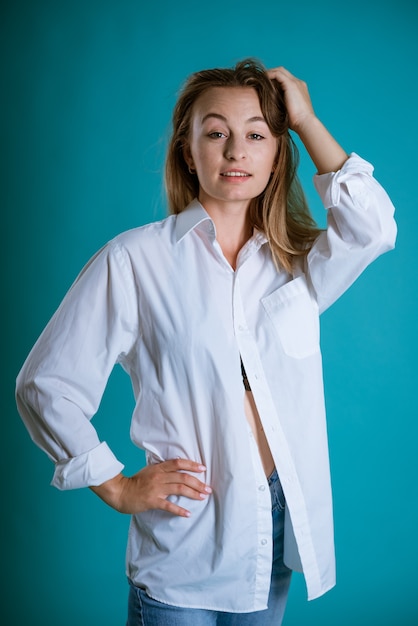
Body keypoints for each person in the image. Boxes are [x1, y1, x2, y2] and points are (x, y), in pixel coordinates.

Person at [15, 59, 397, 625]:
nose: (235, 151)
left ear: (276, 154)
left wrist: (307, 120)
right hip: (187, 534)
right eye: (215, 133)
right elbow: (45, 385)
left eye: (256, 135)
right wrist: (115, 486)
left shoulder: (298, 263)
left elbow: (375, 227)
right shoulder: (136, 260)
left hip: (275, 522)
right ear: (188, 152)